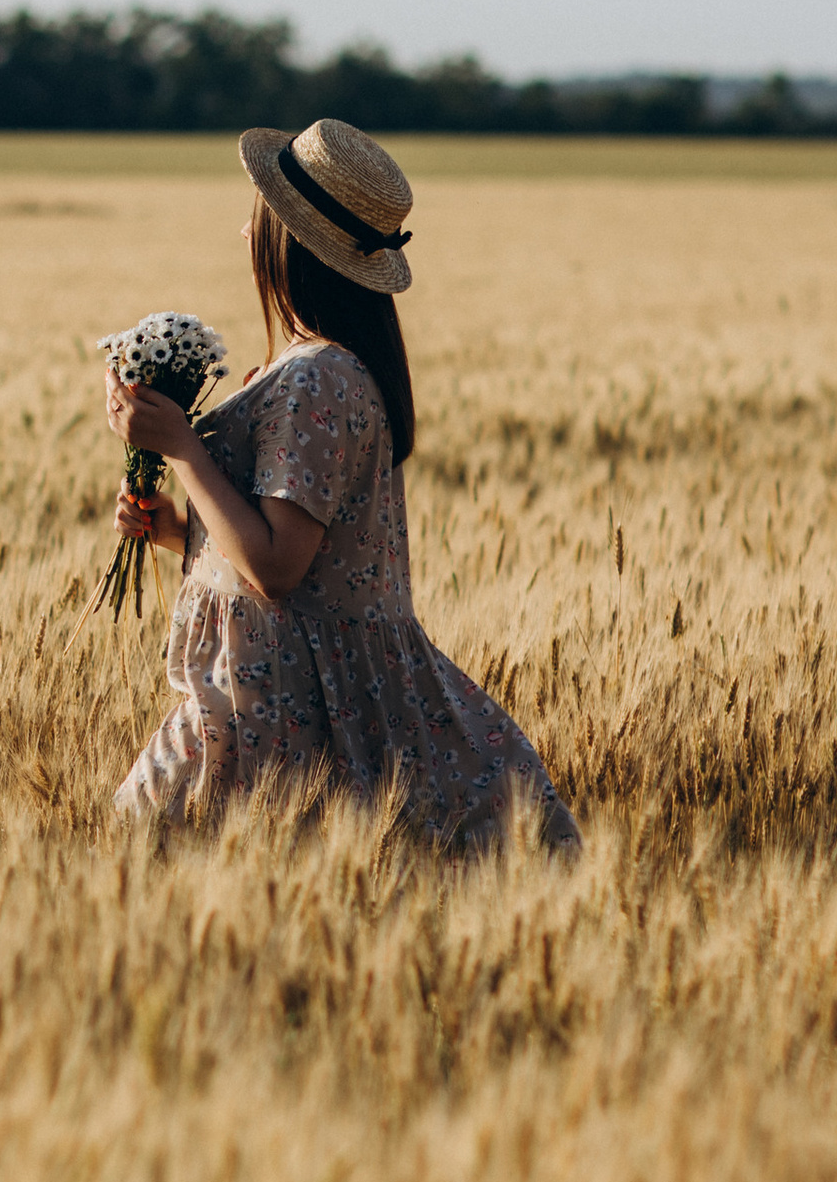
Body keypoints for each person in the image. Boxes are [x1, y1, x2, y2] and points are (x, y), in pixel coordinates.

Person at [106, 118, 578, 850]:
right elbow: (303, 556)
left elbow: (277, 568)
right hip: (269, 690)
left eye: (257, 215)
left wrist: (182, 450)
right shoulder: (312, 367)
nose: (242, 232)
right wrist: (179, 530)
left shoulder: (320, 378)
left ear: (288, 239)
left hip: (285, 708)